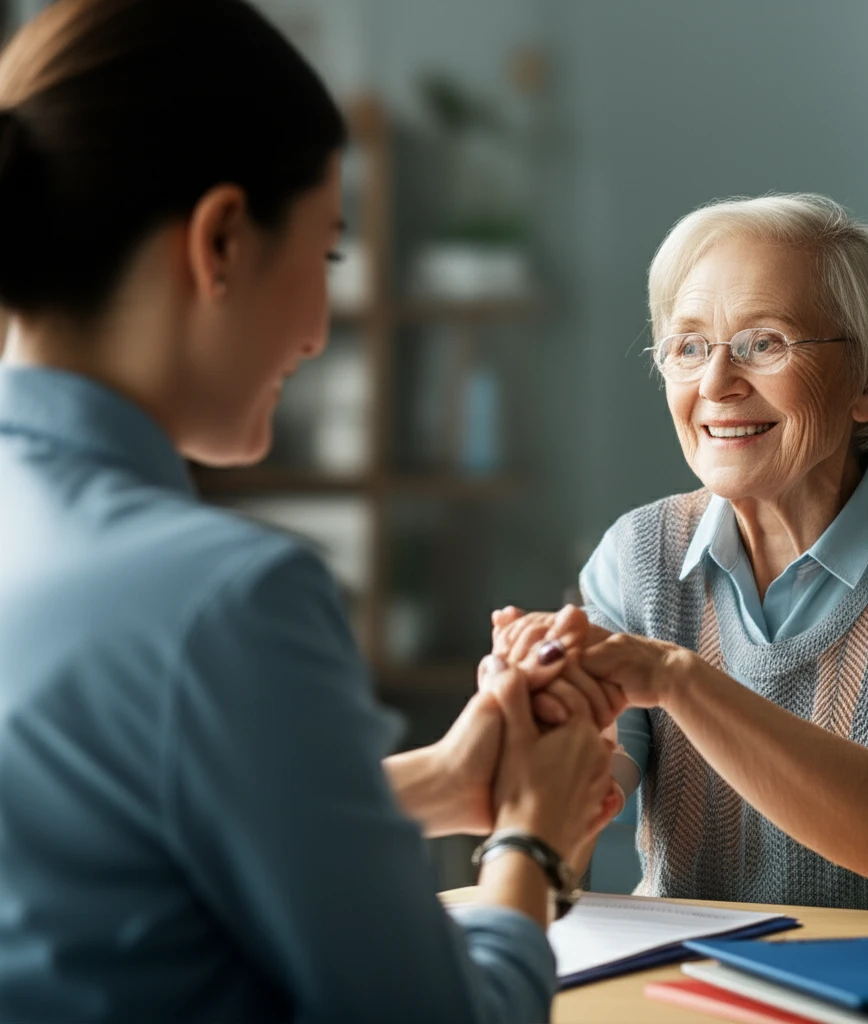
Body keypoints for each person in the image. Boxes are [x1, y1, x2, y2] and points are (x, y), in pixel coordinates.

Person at [0, 2, 619, 1021]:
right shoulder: (224, 599)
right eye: (327, 254)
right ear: (223, 241)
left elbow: (101, 832)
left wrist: (436, 782)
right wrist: (528, 842)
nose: (320, 330)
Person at [491, 193, 868, 916]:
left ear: (867, 380)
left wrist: (676, 678)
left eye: (763, 343)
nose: (715, 385)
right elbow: (578, 810)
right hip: (690, 985)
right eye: (688, 347)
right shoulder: (636, 554)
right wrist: (536, 718)